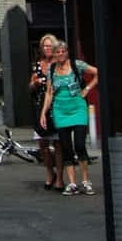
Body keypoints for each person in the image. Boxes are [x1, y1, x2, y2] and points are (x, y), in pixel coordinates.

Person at [41, 39, 98, 195]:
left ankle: (85, 180)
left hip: (78, 108)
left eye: (63, 52)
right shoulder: (52, 69)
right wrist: (44, 113)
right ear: (54, 54)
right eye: (57, 52)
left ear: (67, 52)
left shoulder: (76, 65)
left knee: (79, 144)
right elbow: (49, 92)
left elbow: (97, 73)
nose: (60, 55)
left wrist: (87, 88)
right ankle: (72, 183)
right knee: (66, 148)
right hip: (60, 110)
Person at [30, 33, 62, 191]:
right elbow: (30, 85)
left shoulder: (60, 63)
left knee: (58, 143)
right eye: (45, 46)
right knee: (42, 143)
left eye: (50, 46)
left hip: (57, 106)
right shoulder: (38, 64)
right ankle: (50, 173)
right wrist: (35, 83)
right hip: (40, 104)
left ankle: (60, 178)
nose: (48, 49)